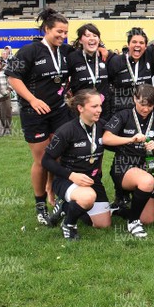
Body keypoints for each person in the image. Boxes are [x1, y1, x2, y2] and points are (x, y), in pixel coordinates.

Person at [5, 8, 73, 224]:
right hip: (34, 113)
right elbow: (12, 77)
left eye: (65, 33)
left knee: (60, 156)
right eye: (59, 32)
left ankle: (54, 191)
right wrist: (32, 100)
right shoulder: (29, 50)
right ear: (46, 29)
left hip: (59, 111)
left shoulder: (65, 51)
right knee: (43, 160)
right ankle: (40, 204)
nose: (62, 36)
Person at [41, 89, 110, 240]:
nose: (99, 110)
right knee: (88, 198)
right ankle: (69, 225)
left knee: (103, 223)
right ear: (80, 108)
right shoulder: (66, 130)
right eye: (94, 106)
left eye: (100, 106)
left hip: (92, 180)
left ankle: (65, 207)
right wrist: (71, 175)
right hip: (67, 179)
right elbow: (46, 160)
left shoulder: (103, 127)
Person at [102, 84, 154, 237]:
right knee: (147, 181)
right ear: (134, 99)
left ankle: (121, 209)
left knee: (149, 219)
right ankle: (133, 222)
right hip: (122, 166)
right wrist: (131, 139)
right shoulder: (123, 115)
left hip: (145, 167)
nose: (146, 109)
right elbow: (106, 138)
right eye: (142, 104)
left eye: (150, 105)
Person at [67, 24, 111, 120]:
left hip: (103, 111)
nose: (92, 38)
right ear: (80, 40)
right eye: (87, 36)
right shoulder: (72, 57)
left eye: (95, 36)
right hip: (80, 111)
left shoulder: (106, 57)